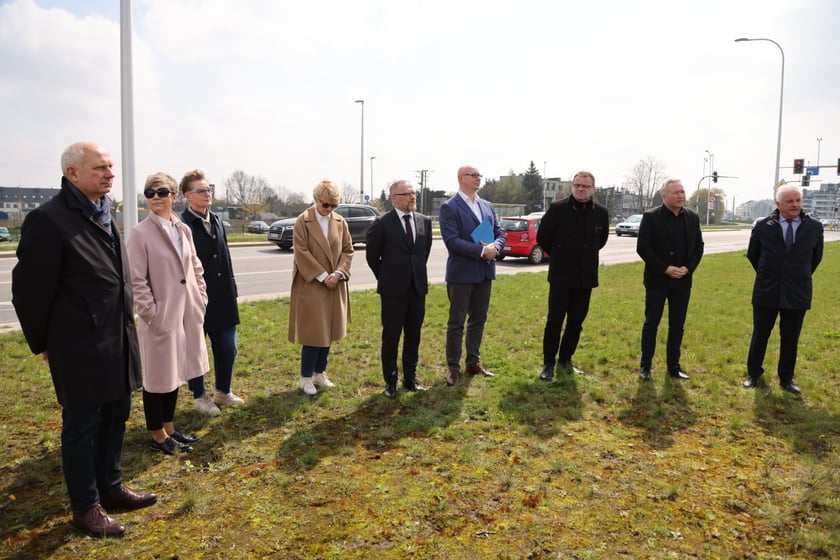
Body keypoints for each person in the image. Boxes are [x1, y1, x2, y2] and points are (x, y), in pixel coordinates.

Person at [12, 142, 156, 538]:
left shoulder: (107, 212)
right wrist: (44, 343)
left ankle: (111, 488)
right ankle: (86, 506)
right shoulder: (49, 219)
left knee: (116, 417)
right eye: (100, 168)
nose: (110, 174)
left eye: (111, 167)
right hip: (78, 346)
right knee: (82, 427)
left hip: (118, 339)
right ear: (72, 174)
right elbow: (28, 291)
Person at [127, 173, 208, 455]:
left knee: (175, 373)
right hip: (160, 318)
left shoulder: (182, 228)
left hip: (185, 313)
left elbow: (195, 266)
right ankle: (157, 434)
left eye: (162, 192)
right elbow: (137, 281)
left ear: (174, 196)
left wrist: (201, 298)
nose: (156, 198)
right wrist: (152, 315)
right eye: (150, 193)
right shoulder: (140, 234)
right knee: (156, 377)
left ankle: (170, 427)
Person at [743, 184, 823, 394]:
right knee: (760, 334)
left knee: (790, 338)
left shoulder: (814, 227)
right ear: (778, 204)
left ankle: (786, 378)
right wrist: (770, 274)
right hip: (767, 289)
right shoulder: (763, 226)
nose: (795, 204)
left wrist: (795, 275)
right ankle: (753, 374)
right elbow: (754, 255)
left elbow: (815, 258)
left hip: (797, 291)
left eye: (797, 200)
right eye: (789, 201)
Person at [179, 169, 244, 416]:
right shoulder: (181, 224)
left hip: (223, 296)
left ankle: (223, 391)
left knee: (228, 347)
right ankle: (200, 395)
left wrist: (233, 288)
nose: (208, 194)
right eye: (201, 190)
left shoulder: (216, 219)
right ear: (187, 195)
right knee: (196, 350)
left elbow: (225, 256)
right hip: (196, 299)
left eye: (209, 190)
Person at [536, 171, 609, 381]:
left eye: (585, 186)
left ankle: (566, 359)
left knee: (576, 322)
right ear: (572, 187)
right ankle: (548, 362)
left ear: (593, 189)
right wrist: (560, 254)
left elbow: (600, 240)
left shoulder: (601, 213)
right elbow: (543, 237)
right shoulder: (558, 209)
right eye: (577, 185)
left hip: (585, 277)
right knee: (555, 321)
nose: (580, 189)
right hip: (561, 276)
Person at [438, 165, 505, 386]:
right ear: (460, 178)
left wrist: (495, 246)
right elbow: (452, 241)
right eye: (473, 175)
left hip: (485, 273)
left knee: (478, 320)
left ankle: (473, 362)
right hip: (461, 274)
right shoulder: (450, 207)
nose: (478, 179)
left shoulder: (487, 205)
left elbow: (499, 232)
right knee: (456, 322)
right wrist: (481, 251)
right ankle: (453, 368)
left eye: (479, 176)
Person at [366, 180, 433, 397]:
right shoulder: (383, 223)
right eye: (407, 194)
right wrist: (387, 277)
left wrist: (415, 275)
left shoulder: (424, 221)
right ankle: (391, 382)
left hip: (417, 289)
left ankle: (410, 379)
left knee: (414, 335)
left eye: (414, 193)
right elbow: (372, 256)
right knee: (392, 337)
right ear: (394, 198)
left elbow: (424, 254)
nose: (412, 197)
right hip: (393, 291)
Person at [288, 179, 353, 395]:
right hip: (312, 283)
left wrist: (339, 273)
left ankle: (320, 373)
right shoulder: (302, 221)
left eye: (334, 206)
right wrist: (323, 275)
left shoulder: (340, 222)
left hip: (334, 283)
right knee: (313, 332)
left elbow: (348, 250)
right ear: (315, 199)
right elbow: (301, 252)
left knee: (330, 329)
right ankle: (305, 377)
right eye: (326, 205)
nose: (329, 209)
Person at [636, 177, 704, 381]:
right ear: (664, 196)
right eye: (676, 193)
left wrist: (687, 268)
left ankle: (673, 367)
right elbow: (643, 248)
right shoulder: (651, 217)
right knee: (652, 323)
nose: (681, 196)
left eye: (682, 192)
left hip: (682, 281)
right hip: (658, 280)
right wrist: (665, 268)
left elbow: (698, 247)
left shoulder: (692, 217)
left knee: (677, 325)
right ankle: (645, 367)